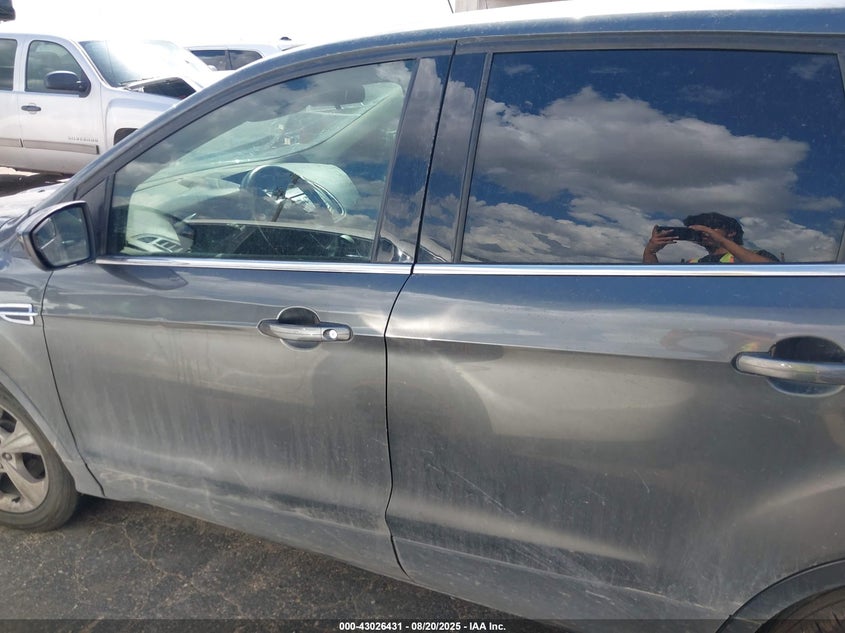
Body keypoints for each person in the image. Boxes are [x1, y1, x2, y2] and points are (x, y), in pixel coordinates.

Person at [642, 212, 779, 263]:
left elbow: (772, 272)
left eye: (710, 227)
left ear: (731, 232)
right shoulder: (694, 264)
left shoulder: (757, 255)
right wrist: (650, 252)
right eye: (699, 228)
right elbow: (657, 284)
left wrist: (721, 240)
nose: (704, 231)